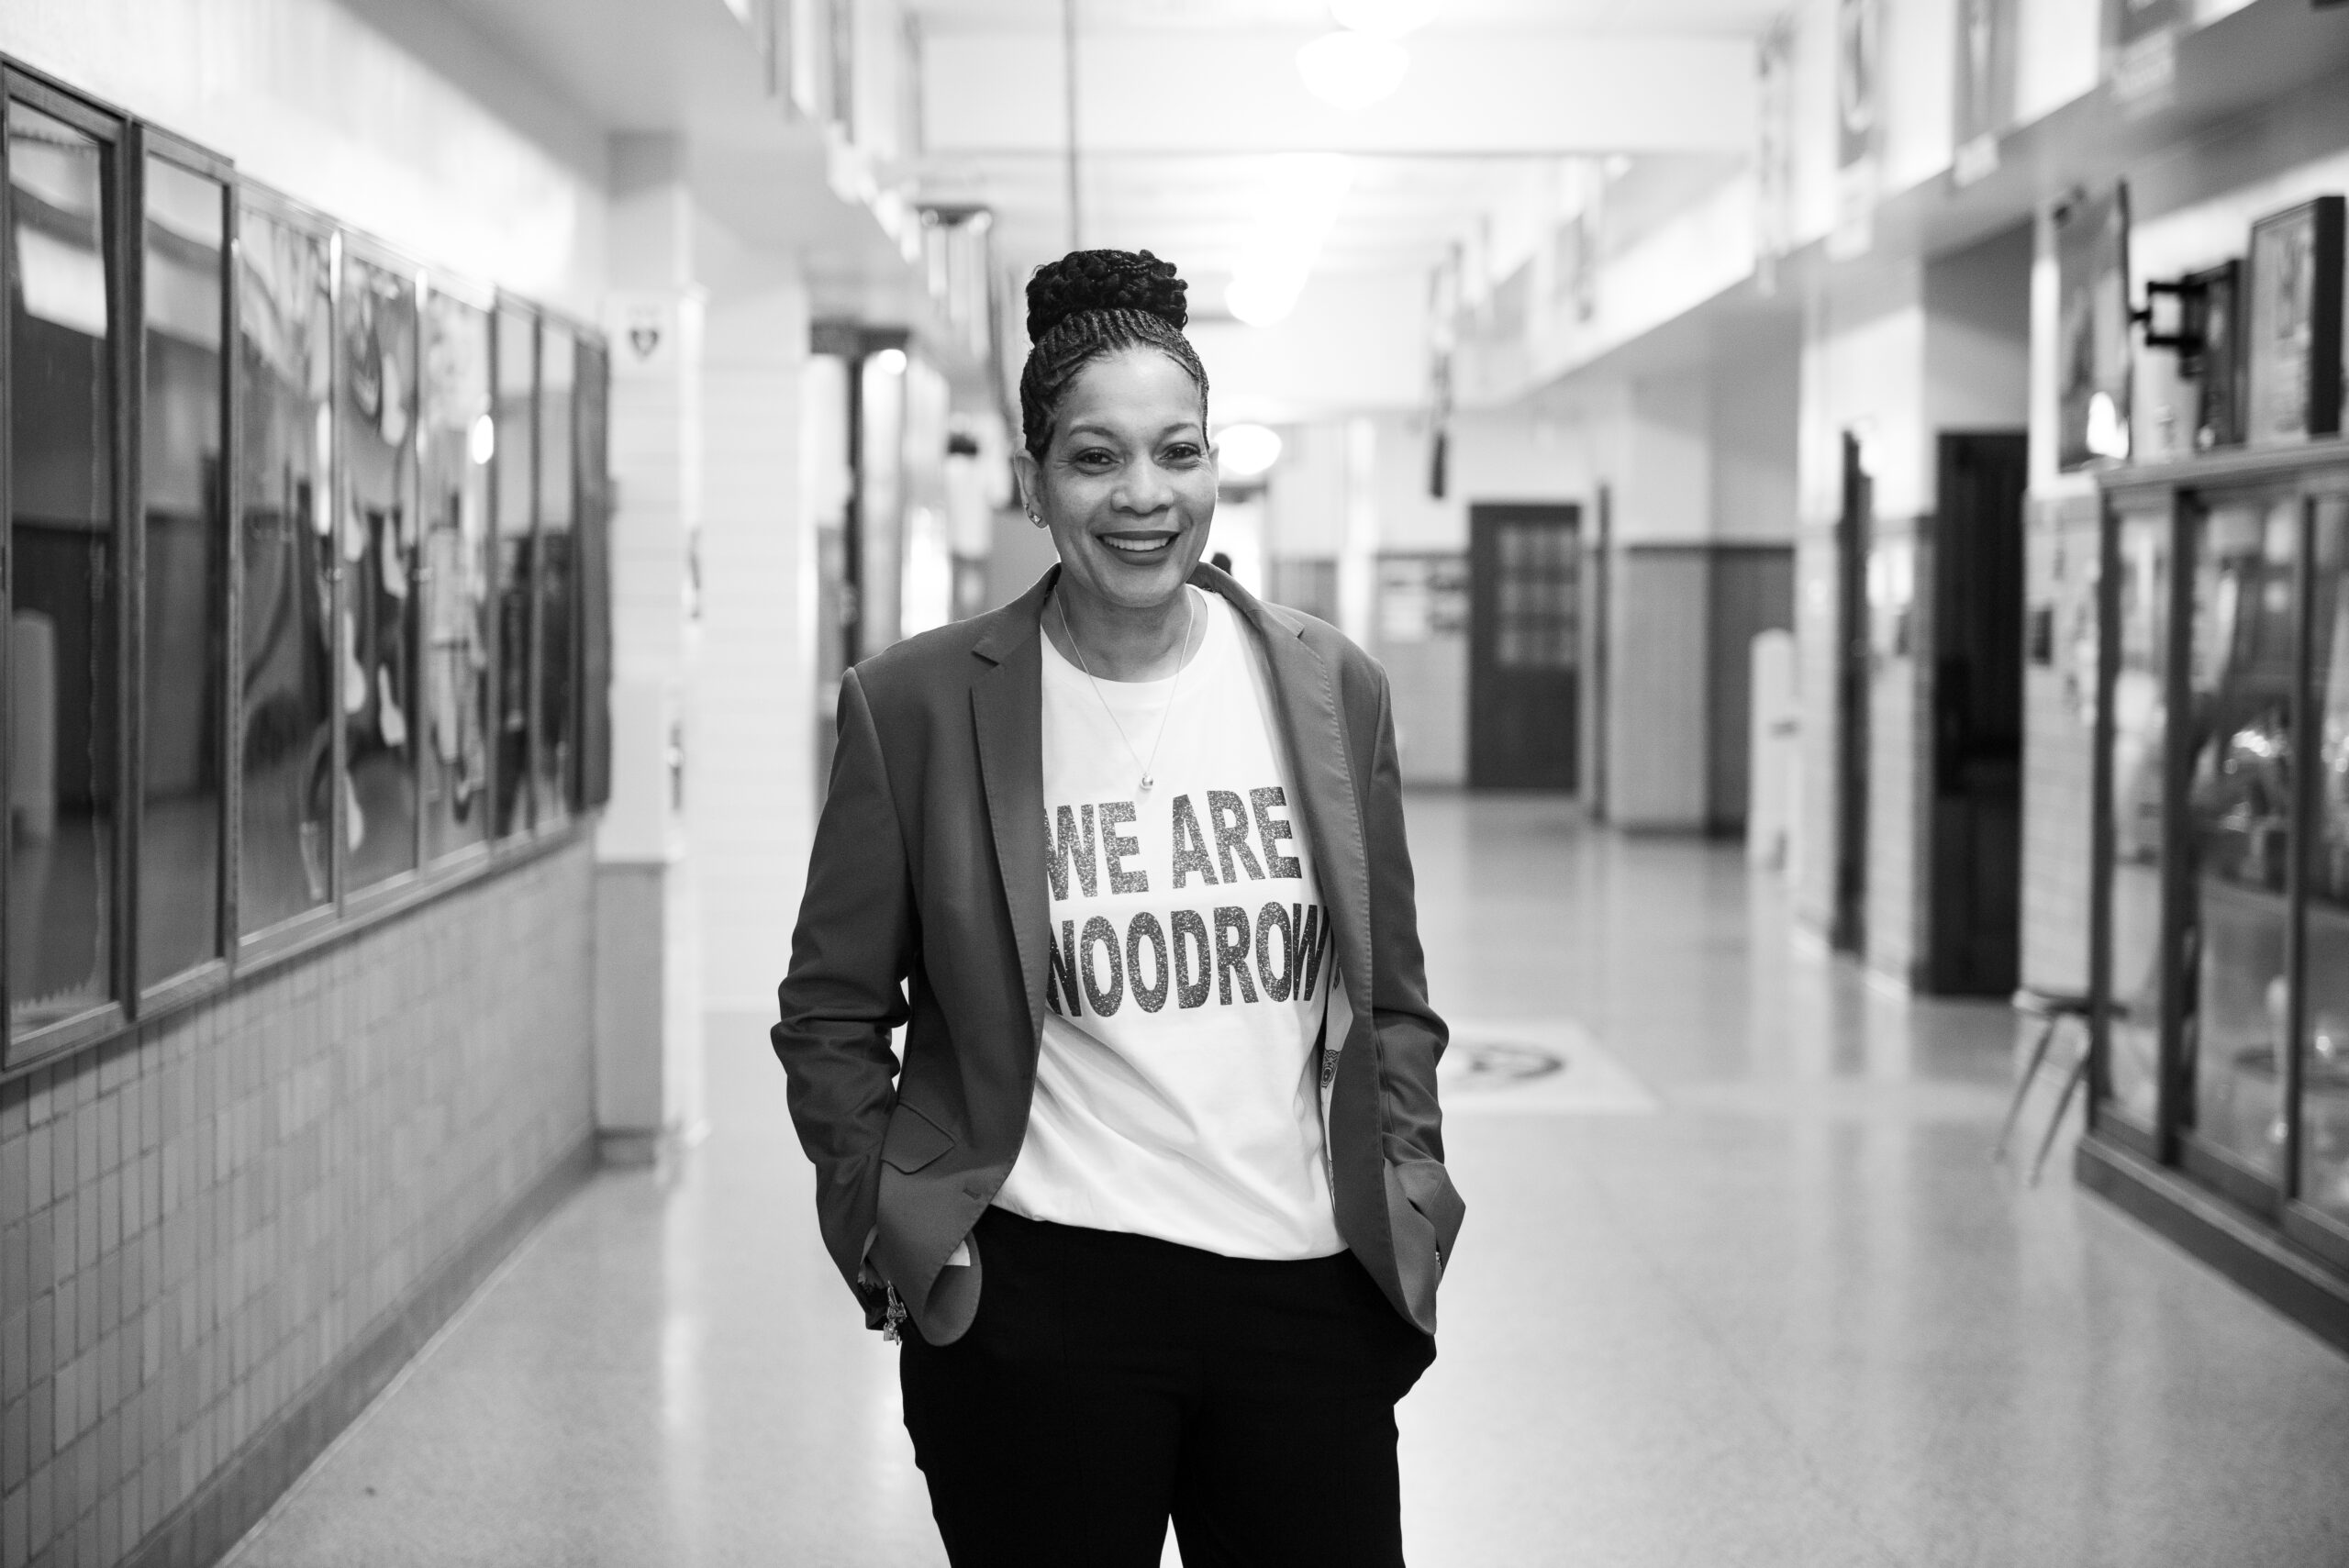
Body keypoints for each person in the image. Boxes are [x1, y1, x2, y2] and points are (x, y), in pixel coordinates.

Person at [771, 248, 1459, 1568]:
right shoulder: (917, 707)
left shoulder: (1327, 687)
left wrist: (1409, 1205)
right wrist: (901, 1238)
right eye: (1095, 458)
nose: (1143, 495)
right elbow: (831, 1015)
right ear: (1034, 484)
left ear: (1211, 467)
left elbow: (1391, 998)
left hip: (1303, 1287)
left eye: (1176, 451)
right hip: (1039, 1299)